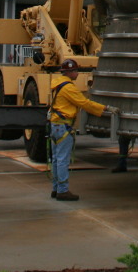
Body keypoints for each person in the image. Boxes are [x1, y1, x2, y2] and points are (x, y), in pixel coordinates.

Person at [49, 59, 119, 201]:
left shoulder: (56, 84)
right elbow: (84, 103)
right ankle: (63, 191)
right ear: (68, 72)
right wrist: (105, 108)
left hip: (55, 124)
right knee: (63, 160)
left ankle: (56, 189)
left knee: (56, 159)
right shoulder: (69, 88)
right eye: (75, 71)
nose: (77, 73)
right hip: (64, 126)